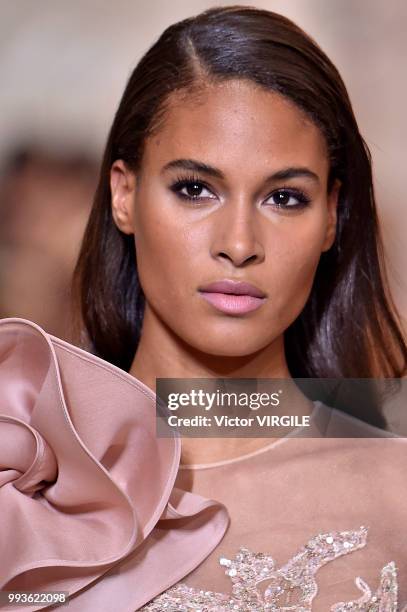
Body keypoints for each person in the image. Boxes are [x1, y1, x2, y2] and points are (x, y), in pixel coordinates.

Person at [1, 5, 406, 611]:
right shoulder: (22, 471)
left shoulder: (396, 491)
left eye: (285, 198)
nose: (238, 245)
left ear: (331, 218)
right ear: (124, 193)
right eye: (195, 189)